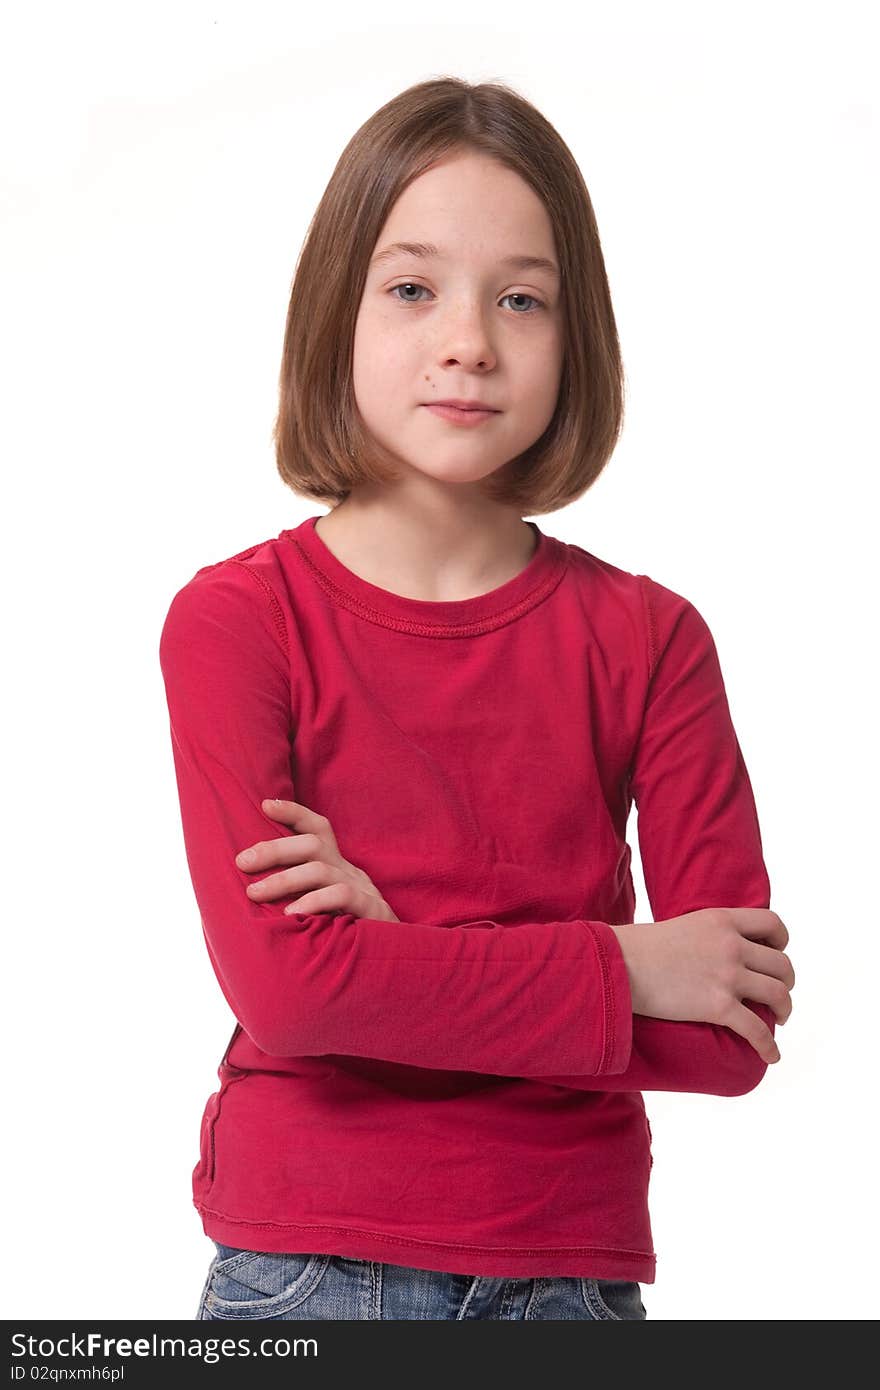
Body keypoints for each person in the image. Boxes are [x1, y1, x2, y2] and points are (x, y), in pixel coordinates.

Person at [158, 76, 795, 1322]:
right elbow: (288, 992)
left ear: (578, 336)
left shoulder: (651, 640)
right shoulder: (236, 623)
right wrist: (623, 966)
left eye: (522, 298)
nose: (469, 341)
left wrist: (387, 957)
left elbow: (731, 1029)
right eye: (411, 289)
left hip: (569, 1276)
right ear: (334, 313)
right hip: (306, 1272)